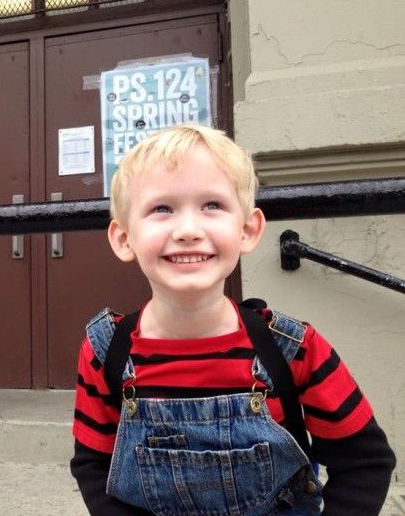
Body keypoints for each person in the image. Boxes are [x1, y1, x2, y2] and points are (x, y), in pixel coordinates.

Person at [70, 124, 396, 515]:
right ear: (124, 238)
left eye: (212, 205)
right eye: (162, 208)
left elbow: (365, 461)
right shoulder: (105, 352)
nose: (188, 230)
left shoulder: (294, 348)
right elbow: (93, 465)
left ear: (247, 230)